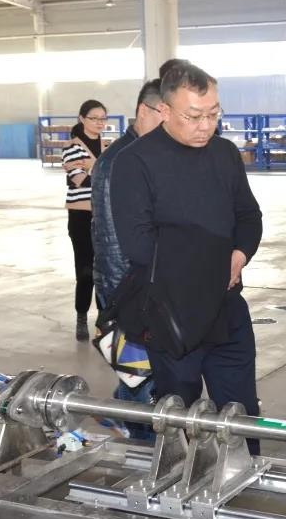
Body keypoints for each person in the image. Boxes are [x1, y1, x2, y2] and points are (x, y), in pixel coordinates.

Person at [110, 62, 263, 453]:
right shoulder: (135, 162)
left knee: (241, 415)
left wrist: (240, 253)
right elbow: (140, 246)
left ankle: (245, 480)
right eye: (193, 116)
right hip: (173, 318)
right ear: (164, 111)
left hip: (227, 309)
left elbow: (249, 216)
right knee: (180, 423)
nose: (205, 126)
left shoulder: (225, 154)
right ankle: (184, 484)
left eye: (213, 114)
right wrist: (213, 263)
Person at [91, 66, 178, 441]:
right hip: (128, 289)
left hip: (145, 283)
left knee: (137, 370)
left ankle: (119, 411)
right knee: (143, 375)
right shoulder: (119, 162)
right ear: (146, 110)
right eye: (166, 117)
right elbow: (112, 241)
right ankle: (144, 447)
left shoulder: (149, 154)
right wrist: (122, 303)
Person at [62, 99, 107, 341]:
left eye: (103, 119)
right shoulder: (72, 147)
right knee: (86, 270)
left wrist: (92, 167)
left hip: (104, 215)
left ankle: (103, 319)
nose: (99, 123)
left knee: (105, 271)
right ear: (82, 119)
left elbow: (111, 178)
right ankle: (81, 316)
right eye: (94, 118)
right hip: (81, 216)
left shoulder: (108, 146)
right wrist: (101, 168)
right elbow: (80, 180)